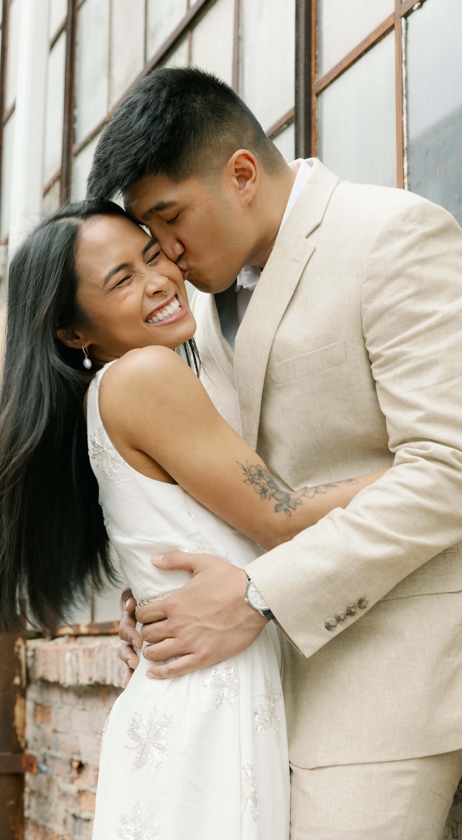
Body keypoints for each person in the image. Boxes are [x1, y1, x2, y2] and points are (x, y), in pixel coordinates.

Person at [90, 67, 462, 838]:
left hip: (393, 684)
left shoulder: (390, 235)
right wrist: (161, 595)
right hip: (248, 705)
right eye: (149, 238)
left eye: (170, 219)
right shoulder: (186, 310)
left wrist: (258, 591)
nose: (167, 253)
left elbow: (449, 470)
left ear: (242, 174)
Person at [0, 199, 383, 837]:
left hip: (202, 695)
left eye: (152, 253)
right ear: (74, 332)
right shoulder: (146, 375)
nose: (157, 280)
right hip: (207, 712)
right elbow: (285, 520)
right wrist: (429, 467)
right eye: (121, 279)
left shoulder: (114, 392)